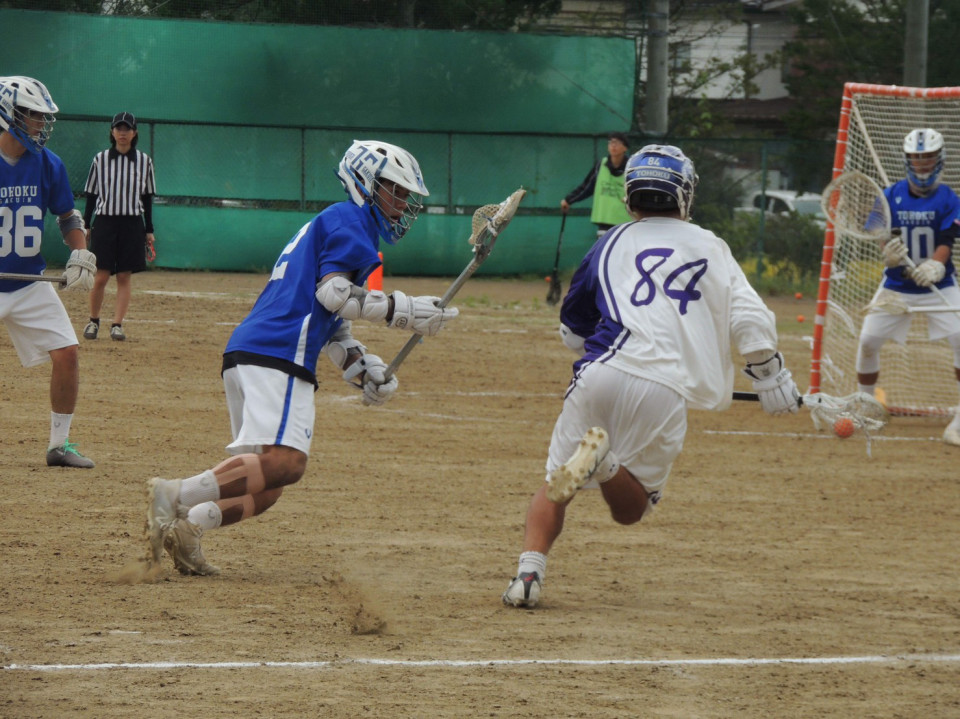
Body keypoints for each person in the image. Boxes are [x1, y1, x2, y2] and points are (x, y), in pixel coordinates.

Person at [501, 144, 800, 609]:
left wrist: (594, 351)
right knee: (630, 509)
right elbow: (751, 320)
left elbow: (571, 330)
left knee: (555, 484)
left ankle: (527, 575)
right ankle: (605, 464)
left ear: (631, 195)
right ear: (684, 195)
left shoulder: (610, 241)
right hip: (663, 389)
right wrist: (769, 375)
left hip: (600, 369)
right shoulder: (710, 245)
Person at [144, 140, 458, 576]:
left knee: (269, 483)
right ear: (367, 183)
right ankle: (174, 497)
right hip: (277, 352)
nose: (403, 203)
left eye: (406, 196)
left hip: (254, 350)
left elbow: (331, 323)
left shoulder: (334, 222)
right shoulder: (352, 220)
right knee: (286, 463)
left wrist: (363, 367)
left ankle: (191, 529)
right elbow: (333, 294)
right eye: (397, 191)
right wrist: (403, 311)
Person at [0, 76, 97, 469]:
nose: (41, 125)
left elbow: (66, 215)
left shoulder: (47, 163)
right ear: (8, 114)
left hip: (27, 281)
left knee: (68, 353)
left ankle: (59, 445)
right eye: (34, 116)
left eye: (42, 117)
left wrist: (81, 252)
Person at [853, 129, 960, 445]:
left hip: (939, 283)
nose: (922, 163)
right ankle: (866, 405)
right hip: (897, 285)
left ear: (938, 159)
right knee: (869, 341)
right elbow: (882, 236)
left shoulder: (949, 198)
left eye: (927, 156)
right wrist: (889, 255)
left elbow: (946, 242)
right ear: (907, 159)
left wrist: (935, 265)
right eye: (917, 156)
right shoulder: (889, 196)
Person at [82, 111, 157, 342]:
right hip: (105, 222)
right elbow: (92, 194)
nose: (122, 133)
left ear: (134, 133)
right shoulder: (100, 159)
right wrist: (86, 224)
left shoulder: (145, 161)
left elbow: (147, 197)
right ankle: (93, 321)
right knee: (101, 276)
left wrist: (148, 229)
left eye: (127, 129)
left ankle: (117, 324)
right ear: (112, 132)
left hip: (132, 223)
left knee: (124, 276)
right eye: (118, 128)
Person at [560, 131, 633, 238]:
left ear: (625, 148)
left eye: (617, 143)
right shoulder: (601, 165)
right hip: (604, 221)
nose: (613, 145)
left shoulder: (631, 167)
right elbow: (587, 187)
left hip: (624, 223)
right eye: (611, 142)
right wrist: (569, 200)